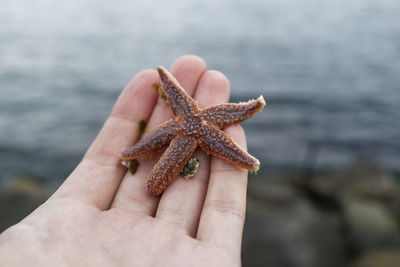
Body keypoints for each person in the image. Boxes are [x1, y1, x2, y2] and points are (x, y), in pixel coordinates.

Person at [0, 55, 249, 266]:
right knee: (151, 161)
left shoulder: (194, 123)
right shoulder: (189, 123)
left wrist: (243, 155)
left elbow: (235, 113)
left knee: (158, 166)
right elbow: (155, 148)